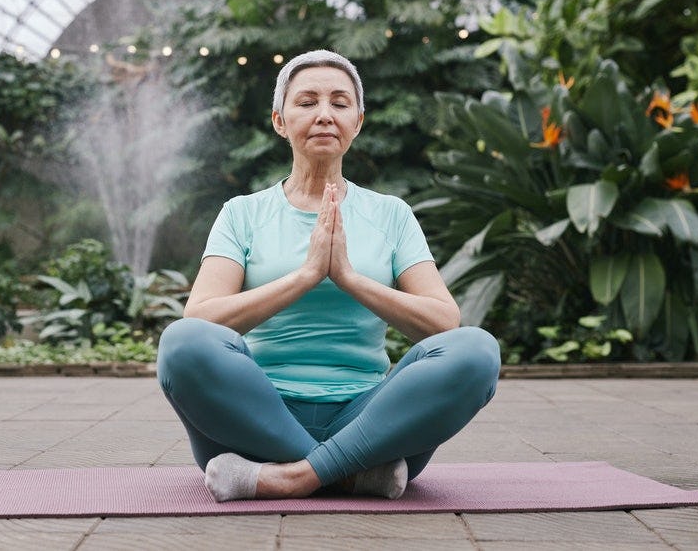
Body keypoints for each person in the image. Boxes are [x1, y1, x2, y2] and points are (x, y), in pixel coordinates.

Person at [157, 49, 500, 502]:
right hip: (254, 417)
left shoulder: (391, 215)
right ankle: (349, 475)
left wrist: (349, 278)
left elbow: (442, 322)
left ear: (357, 122)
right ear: (280, 120)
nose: (324, 115)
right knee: (182, 343)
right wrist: (306, 276)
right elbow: (202, 317)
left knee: (476, 350)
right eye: (307, 102)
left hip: (372, 422)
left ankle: (291, 477)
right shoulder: (241, 214)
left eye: (339, 103)